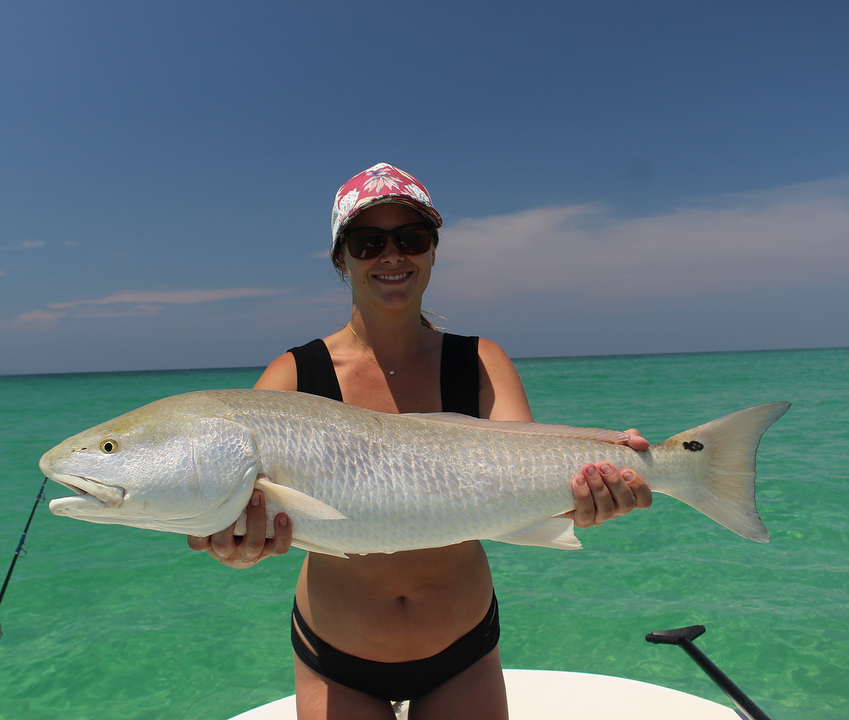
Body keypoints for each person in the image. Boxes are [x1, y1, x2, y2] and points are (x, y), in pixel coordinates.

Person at [188, 163, 652, 719]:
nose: (391, 255)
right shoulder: (292, 375)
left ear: (432, 252)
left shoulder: (481, 361)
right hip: (335, 654)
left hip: (462, 648)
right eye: (368, 242)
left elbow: (530, 481)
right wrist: (236, 550)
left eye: (410, 238)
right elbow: (246, 517)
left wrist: (594, 493)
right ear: (341, 259)